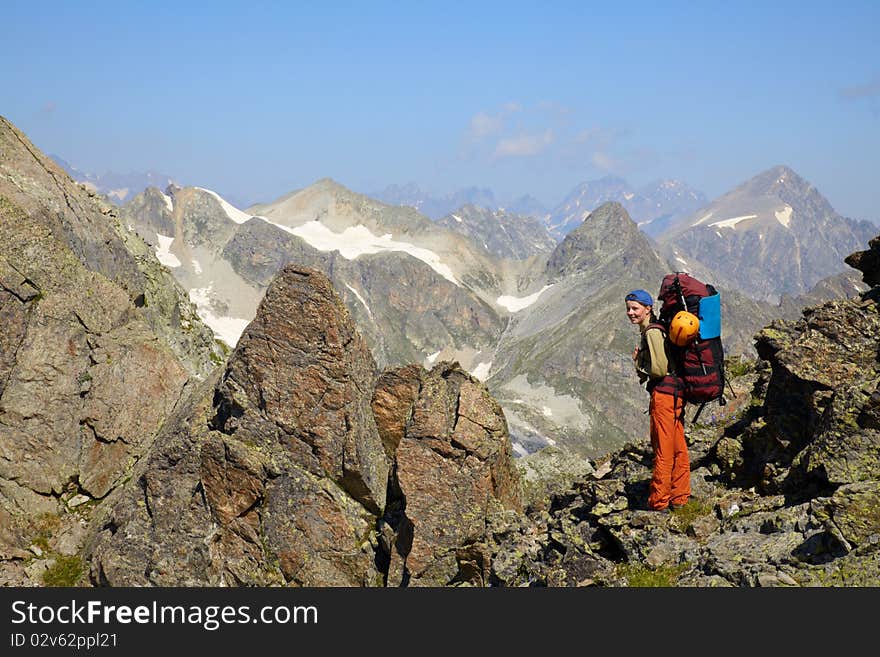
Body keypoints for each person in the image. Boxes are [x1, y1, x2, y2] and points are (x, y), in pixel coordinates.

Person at [625, 289, 690, 512]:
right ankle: (680, 497)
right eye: (628, 308)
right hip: (676, 394)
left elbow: (660, 369)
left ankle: (659, 502)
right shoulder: (656, 329)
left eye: (634, 308)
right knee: (678, 447)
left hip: (663, 395)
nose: (630, 312)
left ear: (648, 308)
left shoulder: (652, 332)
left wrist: (638, 363)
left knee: (663, 449)